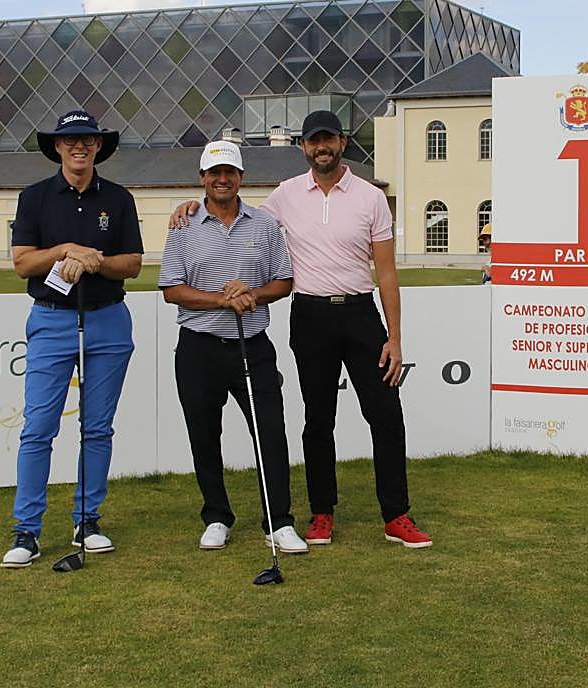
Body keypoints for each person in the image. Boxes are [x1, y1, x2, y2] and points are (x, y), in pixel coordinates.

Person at [171, 110, 433, 549]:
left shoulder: (370, 197)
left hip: (361, 313)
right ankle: (322, 513)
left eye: (328, 139)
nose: (321, 147)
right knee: (318, 419)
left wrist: (395, 336)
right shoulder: (284, 196)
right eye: (314, 141)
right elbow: (234, 207)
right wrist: (191, 206)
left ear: (343, 142)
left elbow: (386, 273)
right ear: (304, 147)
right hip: (310, 316)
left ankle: (396, 515)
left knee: (386, 416)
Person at [0, 110, 143, 569]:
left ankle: (88, 520)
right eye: (70, 141)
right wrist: (64, 251)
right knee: (39, 428)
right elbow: (23, 263)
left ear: (99, 146)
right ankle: (28, 530)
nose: (79, 146)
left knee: (97, 427)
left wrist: (93, 261)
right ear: (57, 147)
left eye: (88, 140)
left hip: (107, 320)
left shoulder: (118, 199)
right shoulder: (35, 197)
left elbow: (134, 264)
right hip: (52, 319)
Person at [159, 141, 307, 554]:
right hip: (198, 347)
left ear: (241, 177)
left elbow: (284, 282)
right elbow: (172, 289)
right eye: (214, 173)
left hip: (252, 345)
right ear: (202, 178)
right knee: (204, 436)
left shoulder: (263, 225)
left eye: (230, 172)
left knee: (270, 434)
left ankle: (278, 521)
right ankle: (217, 516)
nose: (222, 180)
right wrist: (221, 300)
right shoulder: (183, 226)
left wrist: (252, 294)